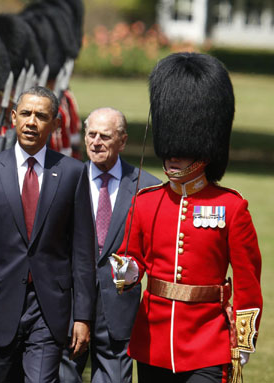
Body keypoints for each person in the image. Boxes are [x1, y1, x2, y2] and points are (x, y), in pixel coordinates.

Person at [111, 52, 262, 382]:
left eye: (184, 152)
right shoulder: (147, 202)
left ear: (204, 151)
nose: (174, 157)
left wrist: (244, 339)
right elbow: (131, 260)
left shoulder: (231, 207)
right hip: (153, 338)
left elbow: (248, 281)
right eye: (171, 151)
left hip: (209, 341)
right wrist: (126, 270)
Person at [0, 85, 96, 382]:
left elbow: (82, 249)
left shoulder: (72, 172)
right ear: (14, 117)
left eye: (41, 116)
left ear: (55, 124)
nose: (32, 122)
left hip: (49, 307)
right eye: (26, 114)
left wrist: (82, 316)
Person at [59, 107, 160, 382]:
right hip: (69, 304)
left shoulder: (147, 187)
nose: (95, 142)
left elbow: (157, 252)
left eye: (105, 136)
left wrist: (135, 271)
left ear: (123, 141)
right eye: (91, 134)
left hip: (119, 308)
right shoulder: (65, 180)